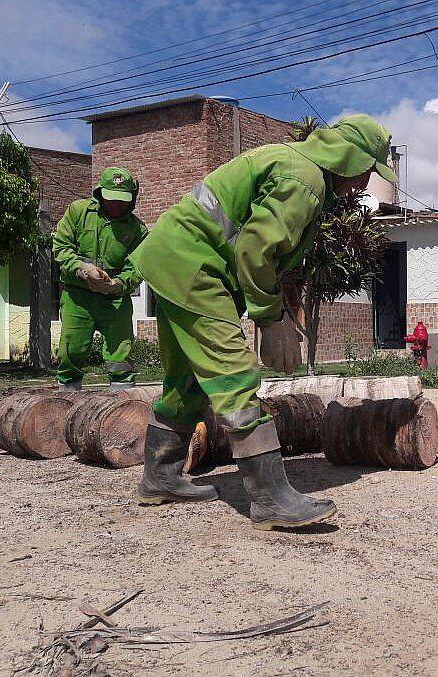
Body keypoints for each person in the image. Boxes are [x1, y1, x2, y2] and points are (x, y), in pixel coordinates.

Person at [130, 114, 396, 530]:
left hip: (170, 262)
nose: (364, 184)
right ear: (348, 157)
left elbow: (269, 254)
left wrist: (282, 311)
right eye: (366, 170)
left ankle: (160, 477)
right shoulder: (304, 180)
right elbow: (254, 251)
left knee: (186, 379)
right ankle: (270, 499)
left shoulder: (292, 164)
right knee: (234, 374)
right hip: (193, 269)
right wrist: (270, 320)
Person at [52, 167, 149, 392]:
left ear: (132, 198)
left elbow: (137, 267)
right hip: (78, 297)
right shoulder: (77, 212)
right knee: (71, 350)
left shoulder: (138, 230)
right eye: (111, 199)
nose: (116, 204)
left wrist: (117, 285)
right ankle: (67, 397)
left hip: (115, 301)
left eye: (122, 200)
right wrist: (82, 268)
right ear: (99, 193)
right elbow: (61, 247)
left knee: (121, 353)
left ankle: (123, 399)